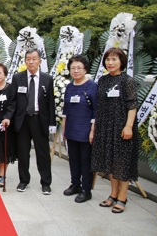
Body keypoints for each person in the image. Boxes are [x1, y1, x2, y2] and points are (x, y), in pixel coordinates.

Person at [91, 47, 138, 213]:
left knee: (122, 163)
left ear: (122, 62)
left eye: (114, 59)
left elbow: (132, 105)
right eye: (108, 59)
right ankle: (113, 194)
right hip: (105, 126)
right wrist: (95, 128)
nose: (110, 63)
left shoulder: (127, 81)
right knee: (111, 163)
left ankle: (123, 197)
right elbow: (100, 107)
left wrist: (128, 126)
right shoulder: (103, 81)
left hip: (122, 127)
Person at [4, 48, 56, 194]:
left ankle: (46, 182)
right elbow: (12, 101)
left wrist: (52, 123)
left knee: (43, 153)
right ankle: (23, 181)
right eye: (28, 59)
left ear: (40, 61)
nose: (31, 61)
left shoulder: (47, 79)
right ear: (25, 60)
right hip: (23, 120)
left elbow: (51, 103)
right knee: (23, 153)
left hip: (40, 120)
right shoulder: (17, 78)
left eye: (34, 59)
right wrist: (8, 117)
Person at [61, 55, 97, 203]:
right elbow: (66, 109)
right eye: (72, 68)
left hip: (85, 130)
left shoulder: (92, 86)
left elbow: (96, 110)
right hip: (71, 128)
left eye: (79, 68)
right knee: (73, 159)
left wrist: (92, 130)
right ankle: (75, 184)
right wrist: (64, 128)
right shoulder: (69, 86)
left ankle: (86, 190)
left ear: (85, 69)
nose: (75, 71)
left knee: (85, 160)